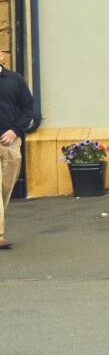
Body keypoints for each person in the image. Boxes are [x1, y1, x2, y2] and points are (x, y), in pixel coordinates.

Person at [0, 46, 38, 250]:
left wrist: (15, 131)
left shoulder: (15, 80)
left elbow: (28, 107)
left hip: (11, 144)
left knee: (6, 187)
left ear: (1, 56)